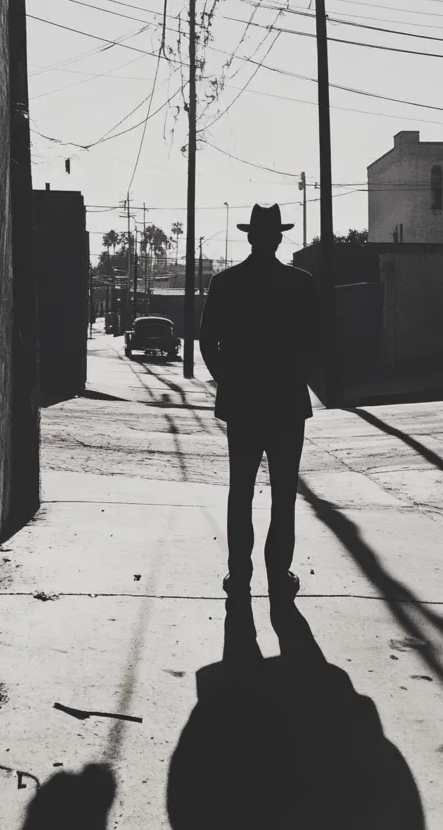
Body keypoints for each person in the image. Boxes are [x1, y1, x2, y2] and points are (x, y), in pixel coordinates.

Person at [200, 204, 321, 601]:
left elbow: (208, 341)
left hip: (244, 402)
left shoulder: (226, 282)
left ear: (251, 237)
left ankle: (240, 575)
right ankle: (277, 575)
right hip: (286, 401)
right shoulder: (300, 283)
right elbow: (315, 342)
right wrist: (295, 375)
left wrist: (230, 380)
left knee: (242, 491)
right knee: (284, 493)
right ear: (278, 238)